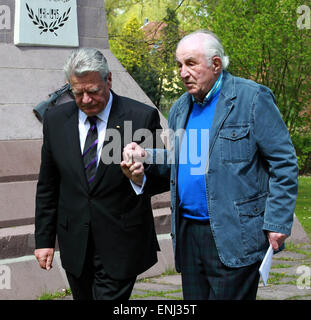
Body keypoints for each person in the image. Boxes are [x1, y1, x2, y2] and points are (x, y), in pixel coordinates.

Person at [121, 30, 298, 300]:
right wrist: (146, 156)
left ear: (215, 64)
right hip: (189, 233)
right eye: (179, 65)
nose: (182, 72)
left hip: (234, 233)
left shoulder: (252, 98)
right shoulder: (181, 106)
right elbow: (184, 159)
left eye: (190, 63)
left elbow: (284, 162)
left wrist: (278, 220)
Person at [34, 48, 168, 300]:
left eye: (93, 91)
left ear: (108, 80)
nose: (85, 99)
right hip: (75, 244)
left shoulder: (140, 117)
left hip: (121, 243)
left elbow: (162, 176)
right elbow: (48, 185)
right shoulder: (55, 120)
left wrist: (140, 177)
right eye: (77, 92)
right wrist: (44, 239)